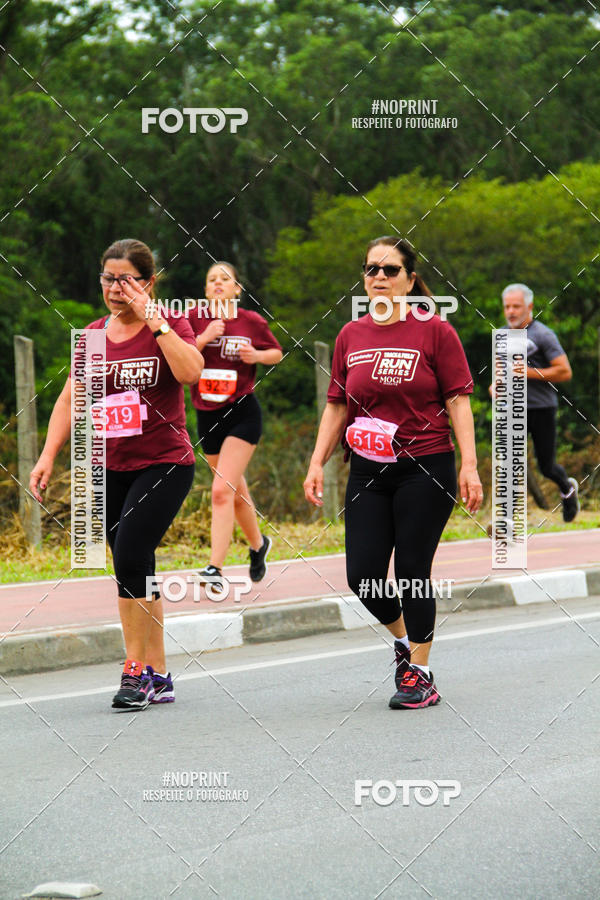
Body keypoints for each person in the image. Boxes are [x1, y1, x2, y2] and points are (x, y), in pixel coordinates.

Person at [304, 236, 482, 710]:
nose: (378, 277)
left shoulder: (434, 331)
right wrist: (316, 461)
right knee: (362, 576)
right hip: (367, 470)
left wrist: (470, 463)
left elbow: (458, 402)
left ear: (409, 279)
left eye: (389, 270)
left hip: (426, 465)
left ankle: (420, 673)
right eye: (370, 270)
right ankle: (405, 643)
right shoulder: (350, 335)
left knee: (410, 571)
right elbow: (336, 405)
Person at [30, 239, 204, 711]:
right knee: (135, 565)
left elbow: (191, 373)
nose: (114, 287)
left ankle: (134, 671)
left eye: (125, 278)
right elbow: (70, 399)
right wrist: (48, 455)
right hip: (110, 467)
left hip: (165, 462)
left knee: (130, 550)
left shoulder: (168, 323)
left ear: (147, 282)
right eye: (108, 278)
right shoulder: (92, 334)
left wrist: (157, 320)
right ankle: (161, 673)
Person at [189, 261, 283, 589]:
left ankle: (215, 568)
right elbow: (182, 356)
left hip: (243, 413)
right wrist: (203, 338)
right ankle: (259, 546)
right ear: (205, 290)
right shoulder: (193, 319)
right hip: (207, 415)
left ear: (236, 289)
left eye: (224, 279)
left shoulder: (251, 321)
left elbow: (277, 352)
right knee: (235, 493)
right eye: (211, 279)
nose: (217, 283)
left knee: (219, 492)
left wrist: (256, 356)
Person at [496, 283, 578, 521]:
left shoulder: (543, 334)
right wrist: (496, 386)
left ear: (529, 307)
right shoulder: (502, 335)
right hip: (513, 409)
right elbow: (501, 372)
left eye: (516, 306)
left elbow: (565, 372)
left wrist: (530, 373)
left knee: (546, 466)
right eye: (507, 306)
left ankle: (567, 489)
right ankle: (507, 522)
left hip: (542, 408)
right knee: (510, 465)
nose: (511, 311)